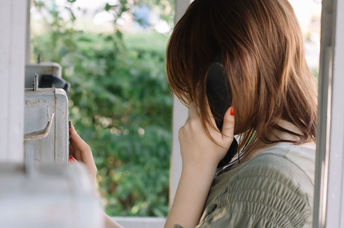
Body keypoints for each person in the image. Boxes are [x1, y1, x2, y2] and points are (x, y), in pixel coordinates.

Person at [70, 0, 317, 227]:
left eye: (195, 84)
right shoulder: (296, 156)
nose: (195, 103)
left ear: (226, 73)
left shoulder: (268, 182)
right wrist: (86, 205)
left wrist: (197, 170)